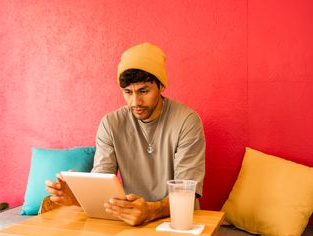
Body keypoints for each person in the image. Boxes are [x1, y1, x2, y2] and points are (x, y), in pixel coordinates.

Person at [45, 42, 205, 226]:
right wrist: (78, 198)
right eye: (128, 92)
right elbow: (101, 182)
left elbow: (186, 192)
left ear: (161, 86)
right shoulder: (111, 124)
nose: (135, 101)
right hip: (130, 220)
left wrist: (151, 211)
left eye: (144, 91)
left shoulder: (187, 121)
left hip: (177, 221)